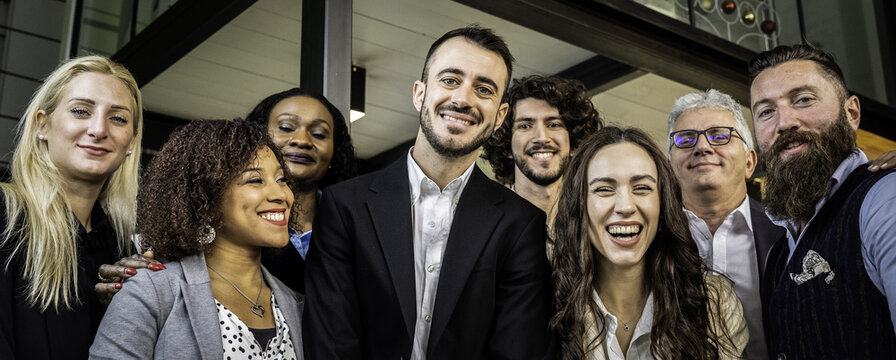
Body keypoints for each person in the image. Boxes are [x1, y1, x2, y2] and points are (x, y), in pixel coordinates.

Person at [302, 25, 551, 359]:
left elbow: (514, 351)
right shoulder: (345, 205)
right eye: (450, 80)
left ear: (500, 115)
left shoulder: (522, 225)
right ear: (420, 93)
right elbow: (332, 342)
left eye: (484, 89)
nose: (463, 99)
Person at [90, 120, 304, 359]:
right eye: (255, 180)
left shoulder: (294, 303)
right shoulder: (151, 290)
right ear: (205, 198)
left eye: (282, 179)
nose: (280, 194)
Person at [750, 44, 896, 359]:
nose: (784, 122)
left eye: (803, 100)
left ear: (851, 112)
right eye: (766, 111)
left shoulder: (885, 198)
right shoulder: (779, 252)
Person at [551, 126, 747, 359]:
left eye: (642, 188)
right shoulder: (545, 303)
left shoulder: (714, 304)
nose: (625, 206)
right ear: (580, 208)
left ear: (663, 205)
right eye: (603, 189)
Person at [0, 55, 142, 359]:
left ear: (131, 142)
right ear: (43, 124)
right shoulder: (6, 216)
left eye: (118, 118)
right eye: (81, 111)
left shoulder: (123, 251)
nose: (98, 129)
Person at [667, 89, 782, 359]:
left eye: (720, 136)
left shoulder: (789, 231)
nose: (703, 147)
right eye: (685, 139)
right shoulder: (650, 240)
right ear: (669, 165)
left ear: (750, 162)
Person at [247, 88, 357, 293]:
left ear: (335, 152)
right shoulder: (232, 219)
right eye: (287, 128)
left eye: (318, 134)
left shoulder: (354, 224)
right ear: (257, 137)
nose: (303, 140)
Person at [482, 74, 602, 232]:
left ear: (574, 144)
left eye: (553, 124)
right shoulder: (483, 223)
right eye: (525, 126)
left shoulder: (596, 222)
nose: (542, 137)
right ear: (506, 146)